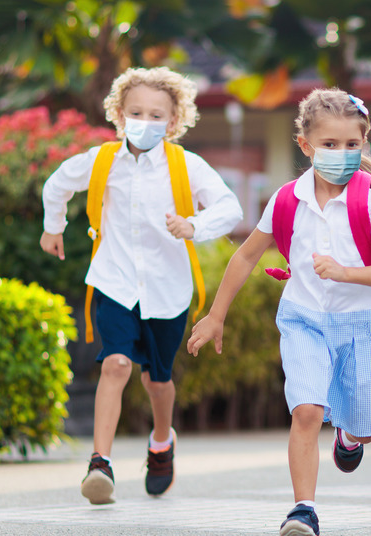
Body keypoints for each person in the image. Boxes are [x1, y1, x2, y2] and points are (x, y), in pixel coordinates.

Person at [187, 88, 371, 536]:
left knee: (364, 426)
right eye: (330, 145)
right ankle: (303, 513)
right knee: (308, 410)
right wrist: (216, 315)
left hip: (363, 325)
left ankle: (350, 440)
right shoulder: (287, 199)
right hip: (304, 319)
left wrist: (345, 272)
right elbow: (246, 256)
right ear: (305, 146)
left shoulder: (369, 201)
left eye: (352, 145)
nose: (341, 154)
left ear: (364, 144)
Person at [40, 67, 243, 505]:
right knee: (115, 364)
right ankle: (100, 464)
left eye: (156, 115)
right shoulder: (101, 161)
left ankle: (161, 441)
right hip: (114, 281)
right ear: (118, 113)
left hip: (167, 290)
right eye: (136, 112)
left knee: (157, 380)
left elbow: (229, 207)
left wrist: (194, 225)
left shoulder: (185, 166)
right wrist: (52, 227)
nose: (145, 121)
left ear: (173, 122)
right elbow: (57, 184)